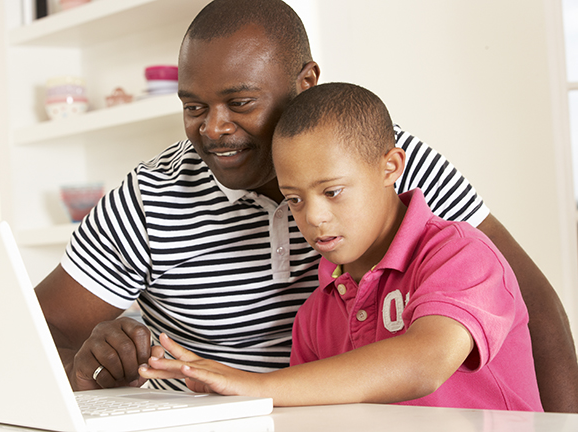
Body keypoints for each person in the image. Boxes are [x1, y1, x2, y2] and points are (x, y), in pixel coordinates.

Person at [34, 0, 578, 412]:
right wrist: (86, 370)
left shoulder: (380, 162)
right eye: (193, 106)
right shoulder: (151, 198)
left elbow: (523, 312)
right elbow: (38, 332)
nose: (214, 127)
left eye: (240, 102)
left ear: (305, 83)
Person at [139, 82, 544, 411]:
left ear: (391, 167)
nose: (313, 217)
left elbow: (425, 363)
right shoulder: (316, 315)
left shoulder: (460, 254)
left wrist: (254, 386)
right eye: (294, 199)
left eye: (332, 191)